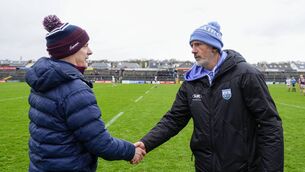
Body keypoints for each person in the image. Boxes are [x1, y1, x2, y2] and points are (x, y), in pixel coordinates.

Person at [134, 21, 284, 171]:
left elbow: (270, 124)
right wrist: (147, 143)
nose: (193, 50)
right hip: (204, 166)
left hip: (242, 166)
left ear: (214, 47)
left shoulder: (246, 74)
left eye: (198, 44)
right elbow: (174, 119)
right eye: (191, 45)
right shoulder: (191, 82)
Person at [25, 15, 145, 172]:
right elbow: (100, 143)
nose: (90, 51)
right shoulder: (74, 89)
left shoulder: (43, 81)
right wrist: (131, 151)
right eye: (85, 46)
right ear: (71, 49)